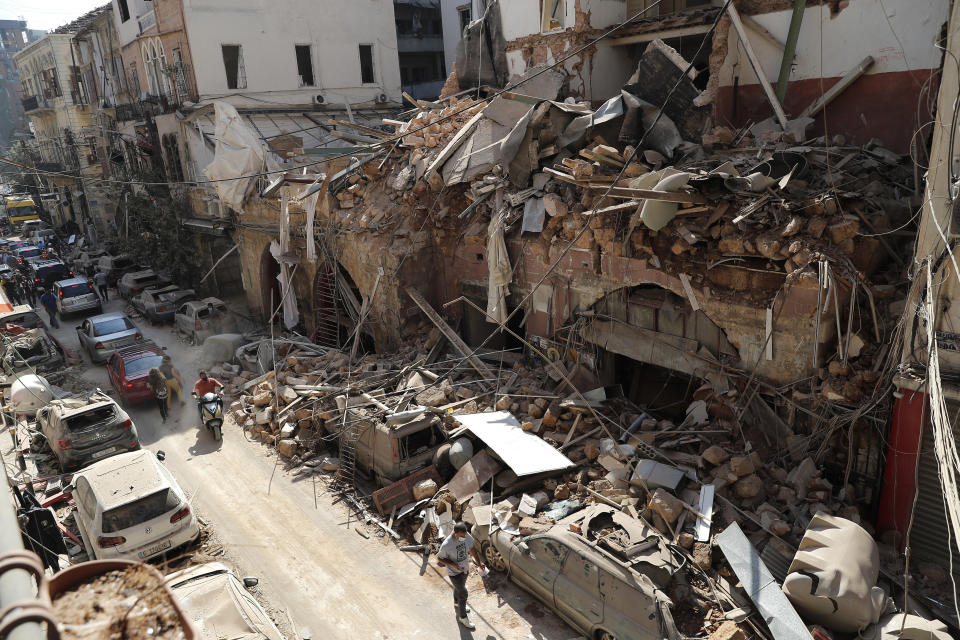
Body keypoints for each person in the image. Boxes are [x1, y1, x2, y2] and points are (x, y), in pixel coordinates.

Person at [436, 522, 485, 629]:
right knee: (463, 593)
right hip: (454, 573)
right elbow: (439, 558)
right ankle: (463, 617)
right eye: (462, 536)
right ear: (455, 532)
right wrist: (454, 564)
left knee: (459, 588)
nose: (464, 537)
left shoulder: (466, 536)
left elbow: (472, 549)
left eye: (465, 535)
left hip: (465, 569)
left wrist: (479, 562)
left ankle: (457, 602)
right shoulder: (447, 544)